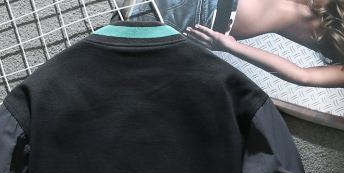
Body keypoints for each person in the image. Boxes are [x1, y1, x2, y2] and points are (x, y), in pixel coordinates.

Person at [117, 0, 344, 87]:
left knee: (123, 28)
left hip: (216, 11)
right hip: (218, 13)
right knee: (125, 26)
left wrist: (231, 47)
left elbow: (302, 76)